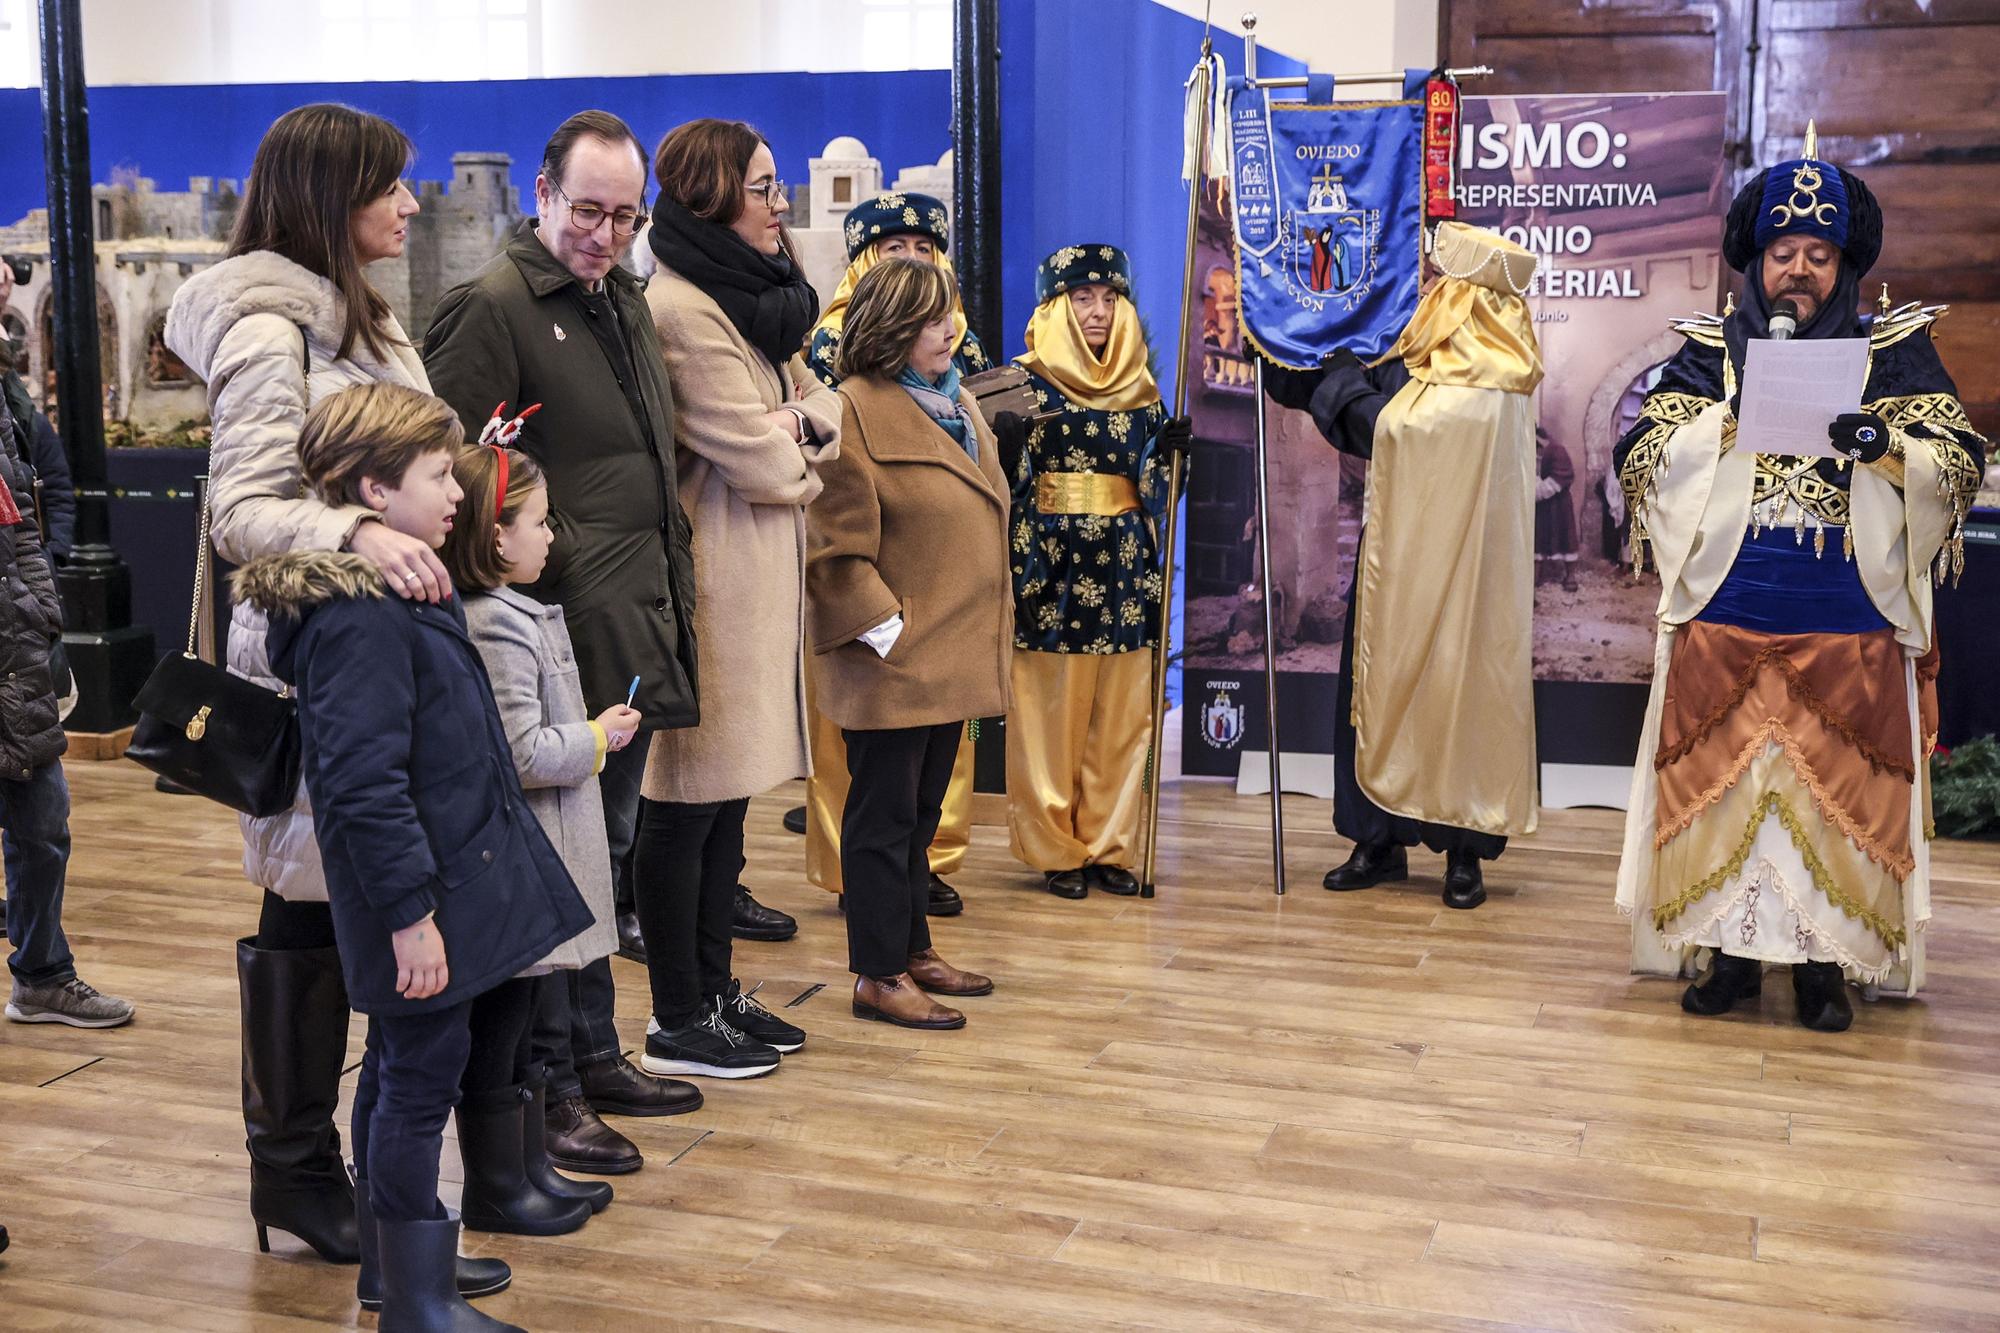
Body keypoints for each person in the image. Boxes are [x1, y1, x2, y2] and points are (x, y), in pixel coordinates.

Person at [234, 381, 592, 1330]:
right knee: (413, 1084)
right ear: (369, 491)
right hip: (420, 892)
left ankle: (396, 1270)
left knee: (402, 1069)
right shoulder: (360, 617)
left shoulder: (402, 586)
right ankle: (415, 1301)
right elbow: (361, 786)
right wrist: (409, 915)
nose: (458, 494)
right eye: (438, 476)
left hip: (446, 876)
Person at [1612, 128, 1984, 1031]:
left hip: (1845, 613)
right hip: (1731, 605)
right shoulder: (1713, 349)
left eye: (1820, 256)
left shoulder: (1890, 348)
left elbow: (1962, 459)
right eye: (1785, 253)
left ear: (1844, 264)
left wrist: (1885, 444)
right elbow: (1640, 455)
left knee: (1827, 805)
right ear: (1758, 260)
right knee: (1733, 794)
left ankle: (1824, 965)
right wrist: (1724, 426)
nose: (1801, 272)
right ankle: (1732, 954)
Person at [163, 102, 432, 1266]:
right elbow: (239, 513)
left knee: (353, 908)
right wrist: (357, 535)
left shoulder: (363, 320)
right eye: (390, 188)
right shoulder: (274, 332)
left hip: (389, 663)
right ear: (332, 199)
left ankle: (355, 1162)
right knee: (310, 910)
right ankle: (294, 1169)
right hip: (318, 665)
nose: (412, 207)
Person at [423, 109, 704, 1132]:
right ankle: (540, 1087)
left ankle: (593, 1053)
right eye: (587, 209)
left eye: (625, 216)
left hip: (625, 623)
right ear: (541, 195)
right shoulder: (489, 306)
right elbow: (451, 483)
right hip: (540, 635)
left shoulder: (621, 300)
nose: (604, 232)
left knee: (605, 851)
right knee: (546, 862)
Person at [1262, 223, 1544, 910]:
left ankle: (1463, 851)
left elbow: (1392, 428)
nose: (1430, 293)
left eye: (1442, 283)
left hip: (1471, 578)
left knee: (1461, 696)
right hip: (1397, 559)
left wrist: (1336, 385)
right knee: (1376, 685)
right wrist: (1283, 344)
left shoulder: (1497, 379)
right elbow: (1361, 399)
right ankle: (1375, 837)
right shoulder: (1421, 356)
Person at [635, 117, 834, 1079]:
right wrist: (792, 430)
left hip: (755, 588)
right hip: (709, 592)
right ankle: (678, 1011)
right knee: (684, 805)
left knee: (726, 810)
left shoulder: (749, 300)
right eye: (762, 186)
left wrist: (793, 424)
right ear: (713, 195)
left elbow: (819, 406)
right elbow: (767, 464)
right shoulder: (681, 308)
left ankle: (716, 991)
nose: (780, 200)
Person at [807, 257, 1007, 1028]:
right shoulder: (852, 411)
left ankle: (913, 946)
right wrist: (892, 631)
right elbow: (832, 550)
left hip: (946, 657)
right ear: (890, 329)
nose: (949, 329)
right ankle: (878, 973)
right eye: (930, 319)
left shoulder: (953, 405)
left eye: (949, 312)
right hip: (894, 660)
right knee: (882, 820)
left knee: (919, 816)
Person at [440, 430, 627, 1235]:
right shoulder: (495, 624)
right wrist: (595, 739)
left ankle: (526, 1166)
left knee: (526, 1031)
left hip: (548, 845)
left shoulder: (520, 611)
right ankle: (496, 1183)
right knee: (505, 1028)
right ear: (495, 535)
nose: (553, 535)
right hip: (524, 853)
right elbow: (517, 750)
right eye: (541, 521)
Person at [1005, 244, 1189, 899]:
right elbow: (1007, 484)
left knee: (1121, 719)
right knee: (1050, 718)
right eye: (1082, 297)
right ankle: (1057, 849)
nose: (1098, 310)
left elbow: (1156, 492)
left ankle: (1112, 845)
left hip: (1125, 572)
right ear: (1054, 304)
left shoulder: (1142, 391)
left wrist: (1171, 462)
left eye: (1109, 297)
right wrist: (1020, 564)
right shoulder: (1023, 384)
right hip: (1051, 570)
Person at [0, 367, 132, 1031]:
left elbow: (21, 505)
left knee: (43, 819)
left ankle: (43, 974)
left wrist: (39, 598)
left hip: (15, 647)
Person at [1535, 426, 1579, 591]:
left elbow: (1562, 475)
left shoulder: (1557, 451)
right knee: (1539, 538)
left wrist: (1536, 492)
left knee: (1566, 536)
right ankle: (1536, 575)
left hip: (1559, 503)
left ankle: (1570, 575)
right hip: (1543, 506)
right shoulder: (1533, 452)